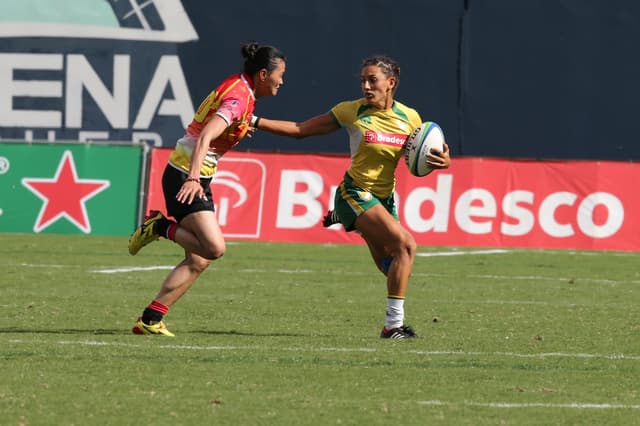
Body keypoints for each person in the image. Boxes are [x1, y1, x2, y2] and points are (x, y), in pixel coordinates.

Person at [254, 55, 451, 339]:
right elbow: (300, 130)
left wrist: (443, 161)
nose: (366, 86)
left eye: (373, 80)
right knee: (406, 246)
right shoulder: (351, 111)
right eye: (363, 81)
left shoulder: (411, 119)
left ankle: (356, 225)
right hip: (355, 193)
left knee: (395, 267)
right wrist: (256, 121)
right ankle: (393, 326)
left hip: (384, 199)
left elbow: (424, 158)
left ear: (391, 83)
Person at [127, 42, 286, 337]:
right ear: (264, 74)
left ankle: (150, 319)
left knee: (198, 260)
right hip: (185, 176)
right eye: (280, 75)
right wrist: (193, 179)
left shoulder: (242, 91)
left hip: (191, 174)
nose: (282, 81)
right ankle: (161, 227)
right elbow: (204, 138)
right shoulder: (238, 98)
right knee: (214, 248)